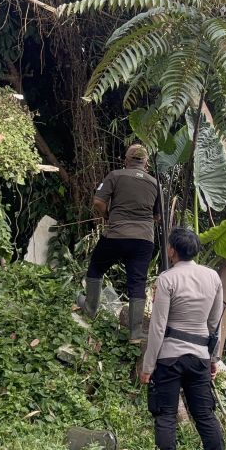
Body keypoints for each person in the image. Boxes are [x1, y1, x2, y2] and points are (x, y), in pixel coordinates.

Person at [140, 227, 225, 450]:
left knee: (165, 415)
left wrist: (148, 366)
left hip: (169, 357)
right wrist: (214, 358)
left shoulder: (167, 279)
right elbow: (215, 323)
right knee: (204, 414)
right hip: (199, 356)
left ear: (172, 250)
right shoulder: (213, 277)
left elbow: (158, 326)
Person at [77, 144, 160, 342]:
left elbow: (98, 202)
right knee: (137, 282)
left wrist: (107, 215)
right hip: (144, 240)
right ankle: (135, 332)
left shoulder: (115, 176)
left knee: (96, 267)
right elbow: (157, 216)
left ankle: (90, 309)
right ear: (146, 163)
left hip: (116, 235)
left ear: (126, 160)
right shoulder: (155, 183)